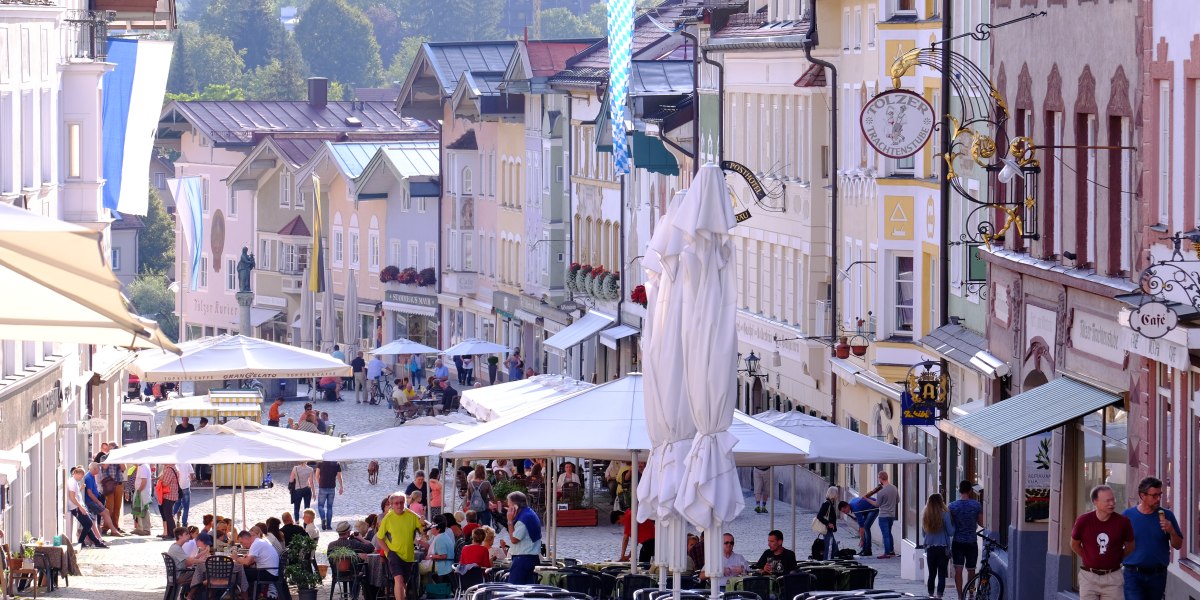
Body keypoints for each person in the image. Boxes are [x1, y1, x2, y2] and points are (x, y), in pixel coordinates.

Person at [1122, 476, 1183, 600]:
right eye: (1154, 495)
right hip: (1132, 574)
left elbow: (1178, 545)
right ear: (1142, 495)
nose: (1158, 499)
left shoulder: (1167, 515)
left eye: (1160, 495)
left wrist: (1171, 531)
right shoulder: (1127, 516)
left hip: (1157, 575)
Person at [1071, 484, 1135, 600]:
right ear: (1095, 502)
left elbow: (1130, 545)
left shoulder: (1123, 522)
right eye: (1107, 501)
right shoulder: (1083, 521)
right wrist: (1089, 557)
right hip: (1089, 578)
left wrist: (1117, 557)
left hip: (1113, 578)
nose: (1112, 503)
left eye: (1113, 499)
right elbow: (1074, 544)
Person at [375, 492, 426, 600]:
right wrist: (388, 552)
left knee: (404, 582)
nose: (399, 505)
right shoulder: (388, 518)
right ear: (392, 505)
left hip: (408, 554)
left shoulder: (412, 515)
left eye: (401, 502)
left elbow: (423, 532)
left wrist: (423, 523)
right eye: (396, 503)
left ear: (405, 503)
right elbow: (379, 538)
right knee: (398, 579)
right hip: (394, 553)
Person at [949, 480, 985, 599]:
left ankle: (960, 596)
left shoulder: (952, 506)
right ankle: (971, 594)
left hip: (957, 541)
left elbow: (950, 525)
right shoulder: (976, 505)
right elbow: (982, 523)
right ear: (970, 491)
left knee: (958, 570)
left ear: (959, 490)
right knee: (971, 570)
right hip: (971, 541)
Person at [921, 493, 954, 599]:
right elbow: (950, 532)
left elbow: (923, 534)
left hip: (930, 548)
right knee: (941, 574)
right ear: (941, 502)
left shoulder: (925, 515)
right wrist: (956, 526)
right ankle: (939, 595)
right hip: (942, 548)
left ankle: (930, 594)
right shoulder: (945, 514)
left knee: (932, 574)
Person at [505, 491, 542, 584]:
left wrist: (510, 521)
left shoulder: (523, 519)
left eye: (509, 506)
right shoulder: (529, 513)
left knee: (514, 587)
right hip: (530, 557)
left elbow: (514, 539)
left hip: (523, 558)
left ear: (515, 506)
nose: (508, 509)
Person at [67, 466, 109, 548]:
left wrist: (80, 489)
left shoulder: (74, 482)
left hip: (78, 506)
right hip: (76, 507)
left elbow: (75, 494)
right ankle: (83, 541)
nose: (82, 477)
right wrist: (80, 507)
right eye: (81, 475)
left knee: (87, 524)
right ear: (76, 473)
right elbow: (72, 497)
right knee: (89, 523)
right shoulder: (72, 482)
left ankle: (95, 542)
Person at [83, 462, 122, 537]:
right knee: (105, 512)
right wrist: (98, 502)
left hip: (93, 501)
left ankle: (112, 530)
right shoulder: (88, 478)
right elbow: (90, 493)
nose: (100, 470)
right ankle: (113, 531)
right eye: (98, 468)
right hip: (90, 502)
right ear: (94, 469)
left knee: (105, 512)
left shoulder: (91, 476)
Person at [869, 471, 899, 558]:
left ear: (880, 478)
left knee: (885, 535)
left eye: (879, 478)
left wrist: (867, 499)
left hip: (883, 515)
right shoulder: (894, 488)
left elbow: (877, 504)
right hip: (891, 515)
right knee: (889, 533)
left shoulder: (881, 492)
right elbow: (897, 500)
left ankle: (887, 553)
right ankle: (891, 551)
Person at [99, 442, 127, 536]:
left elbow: (124, 468)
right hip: (109, 485)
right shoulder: (104, 457)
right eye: (113, 448)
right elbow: (105, 467)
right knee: (109, 507)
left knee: (117, 507)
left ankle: (115, 527)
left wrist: (118, 457)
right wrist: (111, 456)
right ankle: (106, 527)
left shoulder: (120, 457)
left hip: (118, 484)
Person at [315, 459, 345, 530]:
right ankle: (328, 526)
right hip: (332, 487)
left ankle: (323, 519)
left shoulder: (320, 463)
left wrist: (320, 483)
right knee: (329, 507)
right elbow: (339, 476)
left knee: (320, 505)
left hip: (322, 487)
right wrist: (341, 487)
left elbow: (317, 475)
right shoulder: (336, 463)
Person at [815, 486, 841, 560]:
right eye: (837, 493)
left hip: (829, 530)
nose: (838, 495)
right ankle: (826, 562)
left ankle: (830, 561)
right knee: (829, 548)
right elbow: (819, 516)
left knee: (834, 547)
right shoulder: (827, 504)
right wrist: (828, 523)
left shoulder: (830, 503)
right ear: (833, 494)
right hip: (827, 529)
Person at [158, 462, 181, 539]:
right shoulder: (174, 467)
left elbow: (165, 483)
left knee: (168, 515)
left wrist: (160, 480)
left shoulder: (169, 469)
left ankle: (172, 534)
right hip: (172, 494)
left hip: (169, 495)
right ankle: (169, 533)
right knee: (168, 514)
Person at [131, 462, 154, 535]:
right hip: (140, 491)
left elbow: (144, 481)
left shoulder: (143, 467)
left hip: (142, 492)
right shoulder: (141, 466)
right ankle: (140, 528)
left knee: (144, 510)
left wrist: (139, 490)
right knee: (138, 509)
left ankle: (146, 529)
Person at [174, 461, 195, 528]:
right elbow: (192, 474)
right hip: (185, 486)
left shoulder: (175, 462)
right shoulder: (187, 462)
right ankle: (184, 523)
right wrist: (190, 479)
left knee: (176, 504)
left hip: (177, 487)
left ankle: (171, 518)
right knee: (186, 507)